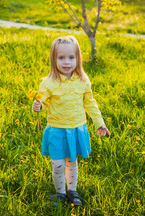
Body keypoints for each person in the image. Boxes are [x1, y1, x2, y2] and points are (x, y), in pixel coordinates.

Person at [32, 36, 110, 207]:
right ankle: (60, 193)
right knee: (58, 164)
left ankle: (72, 190)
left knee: (72, 162)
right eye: (61, 58)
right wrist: (38, 106)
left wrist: (100, 123)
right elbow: (43, 103)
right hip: (57, 130)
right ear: (54, 59)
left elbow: (90, 103)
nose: (66, 62)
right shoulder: (48, 83)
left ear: (77, 58)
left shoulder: (82, 80)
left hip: (76, 129)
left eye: (71, 57)